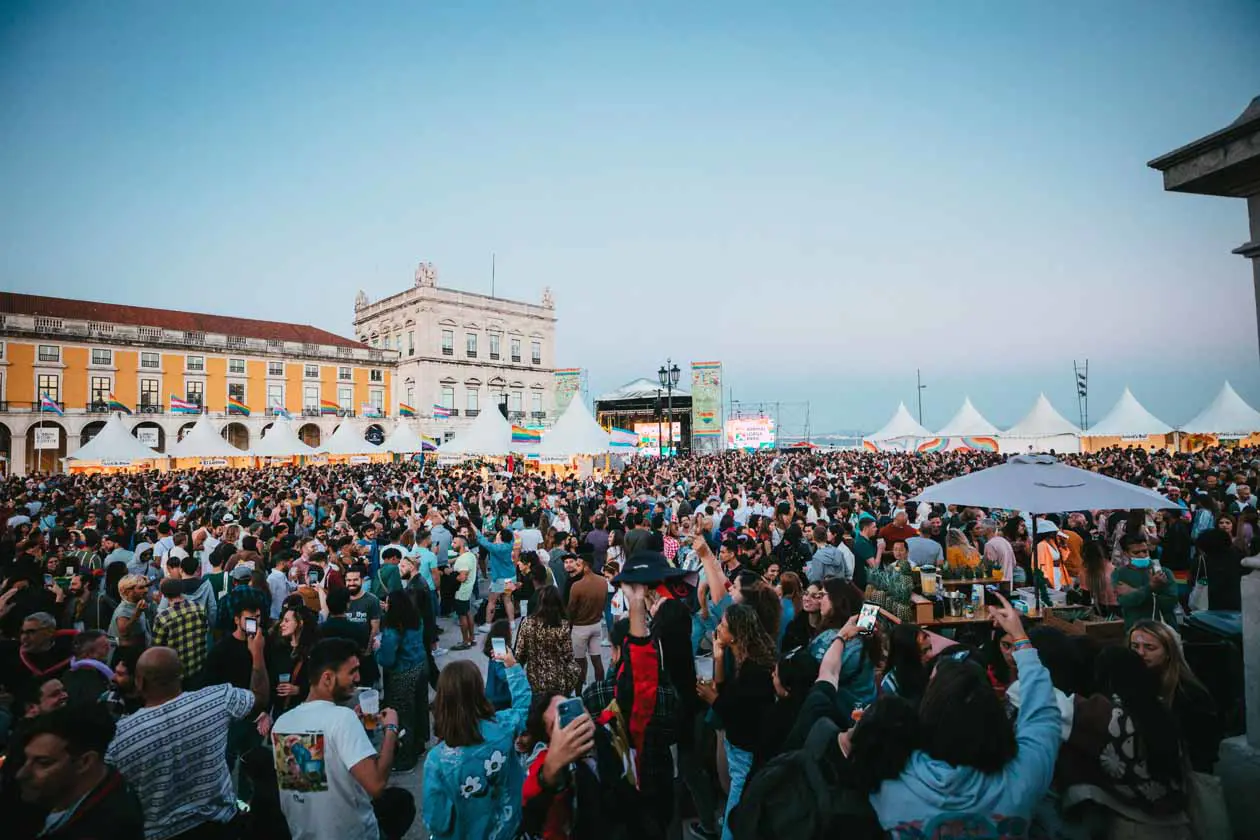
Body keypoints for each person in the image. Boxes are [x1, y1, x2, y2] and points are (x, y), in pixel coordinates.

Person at [868, 593, 1060, 836]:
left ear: (927, 712)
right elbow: (1042, 712)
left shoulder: (888, 783)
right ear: (994, 717)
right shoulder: (1022, 779)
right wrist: (1021, 638)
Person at [107, 642, 268, 840]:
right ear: (180, 675)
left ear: (139, 682)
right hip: (221, 827)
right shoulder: (217, 700)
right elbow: (259, 698)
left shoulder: (121, 736)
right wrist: (257, 653)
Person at [269, 637, 413, 840]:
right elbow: (376, 784)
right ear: (327, 678)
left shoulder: (282, 724)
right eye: (352, 671)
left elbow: (306, 783)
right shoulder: (341, 719)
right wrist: (391, 728)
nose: (358, 678)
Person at [422, 654, 532, 840]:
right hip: (508, 830)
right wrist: (512, 667)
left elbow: (437, 821)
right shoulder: (503, 727)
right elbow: (523, 708)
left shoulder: (437, 761)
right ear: (479, 693)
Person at [696, 603, 778, 840]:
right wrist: (718, 656)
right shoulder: (743, 657)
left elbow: (738, 711)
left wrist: (712, 699)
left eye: (723, 625)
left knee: (736, 810)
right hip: (738, 746)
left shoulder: (755, 670)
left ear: (737, 634)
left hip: (746, 748)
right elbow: (723, 690)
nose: (718, 628)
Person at [15, 703, 145, 840]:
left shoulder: (110, 827)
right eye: (26, 759)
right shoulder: (107, 781)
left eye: (43, 763)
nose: (21, 774)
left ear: (85, 762)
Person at [1128, 619, 1221, 773]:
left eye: (1150, 647)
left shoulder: (1189, 692)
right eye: (1135, 646)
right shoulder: (1131, 681)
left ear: (1168, 653)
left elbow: (1204, 747)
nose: (1140, 653)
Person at [378, 589, 428, 770]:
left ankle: (406, 757)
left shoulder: (393, 630)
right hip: (421, 668)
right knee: (420, 708)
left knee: (403, 715)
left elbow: (387, 659)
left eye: (388, 603)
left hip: (402, 675)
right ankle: (419, 744)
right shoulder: (416, 620)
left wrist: (378, 649)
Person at [513, 583, 583, 696]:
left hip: (534, 680)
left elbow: (519, 653)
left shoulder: (527, 623)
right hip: (557, 680)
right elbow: (568, 656)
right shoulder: (563, 625)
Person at [151, 576, 209, 688]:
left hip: (176, 672)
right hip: (198, 665)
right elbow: (205, 629)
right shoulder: (199, 608)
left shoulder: (163, 617)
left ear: (164, 595)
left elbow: (157, 647)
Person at [1112, 534, 1177, 629]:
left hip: (1163, 628)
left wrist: (1135, 591)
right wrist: (1151, 588)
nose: (1142, 555)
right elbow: (1126, 601)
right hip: (1135, 628)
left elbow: (1170, 603)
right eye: (1136, 552)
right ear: (1126, 554)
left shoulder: (1164, 572)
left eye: (1145, 551)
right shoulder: (1119, 574)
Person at [564, 551, 605, 687]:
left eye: (578, 564)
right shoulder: (603, 582)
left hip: (580, 627)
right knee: (597, 659)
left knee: (579, 662)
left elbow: (571, 610)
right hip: (596, 624)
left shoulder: (577, 586)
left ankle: (579, 693)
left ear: (585, 566)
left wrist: (568, 628)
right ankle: (600, 688)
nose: (576, 566)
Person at [878, 622, 932, 706]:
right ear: (907, 656)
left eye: (930, 648)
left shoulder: (934, 670)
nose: (930, 655)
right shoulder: (890, 685)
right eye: (923, 652)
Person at [477, 527, 518, 631]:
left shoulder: (496, 548)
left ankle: (488, 624)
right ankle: (512, 622)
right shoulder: (510, 544)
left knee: (492, 601)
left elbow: (482, 541)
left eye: (498, 534)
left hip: (500, 579)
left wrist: (473, 528)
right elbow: (511, 534)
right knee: (508, 600)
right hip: (510, 577)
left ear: (500, 537)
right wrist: (507, 526)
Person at [449, 534, 478, 650]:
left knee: (462, 617)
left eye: (455, 543)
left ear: (462, 544)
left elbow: (462, 577)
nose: (452, 545)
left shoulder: (463, 560)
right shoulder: (470, 555)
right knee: (468, 613)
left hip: (460, 592)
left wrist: (450, 574)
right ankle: (472, 638)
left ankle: (465, 641)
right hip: (467, 591)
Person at [107, 575, 151, 649]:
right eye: (141, 588)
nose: (146, 590)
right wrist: (136, 614)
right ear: (127, 592)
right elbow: (124, 633)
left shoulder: (137, 604)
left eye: (146, 586)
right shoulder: (123, 611)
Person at [481, 619, 514, 710]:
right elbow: (502, 674)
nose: (512, 632)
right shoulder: (500, 648)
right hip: (500, 697)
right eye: (510, 630)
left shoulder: (497, 647)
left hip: (494, 694)